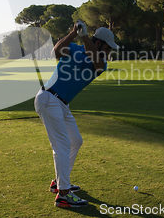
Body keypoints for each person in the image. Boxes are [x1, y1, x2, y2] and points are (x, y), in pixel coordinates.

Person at [34, 20, 119, 208]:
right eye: (108, 47)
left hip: (61, 104)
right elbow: (55, 53)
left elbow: (95, 60)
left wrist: (84, 37)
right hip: (49, 98)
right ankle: (63, 194)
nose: (109, 52)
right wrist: (74, 34)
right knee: (62, 145)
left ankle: (59, 182)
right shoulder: (73, 47)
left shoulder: (101, 63)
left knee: (75, 141)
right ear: (99, 44)